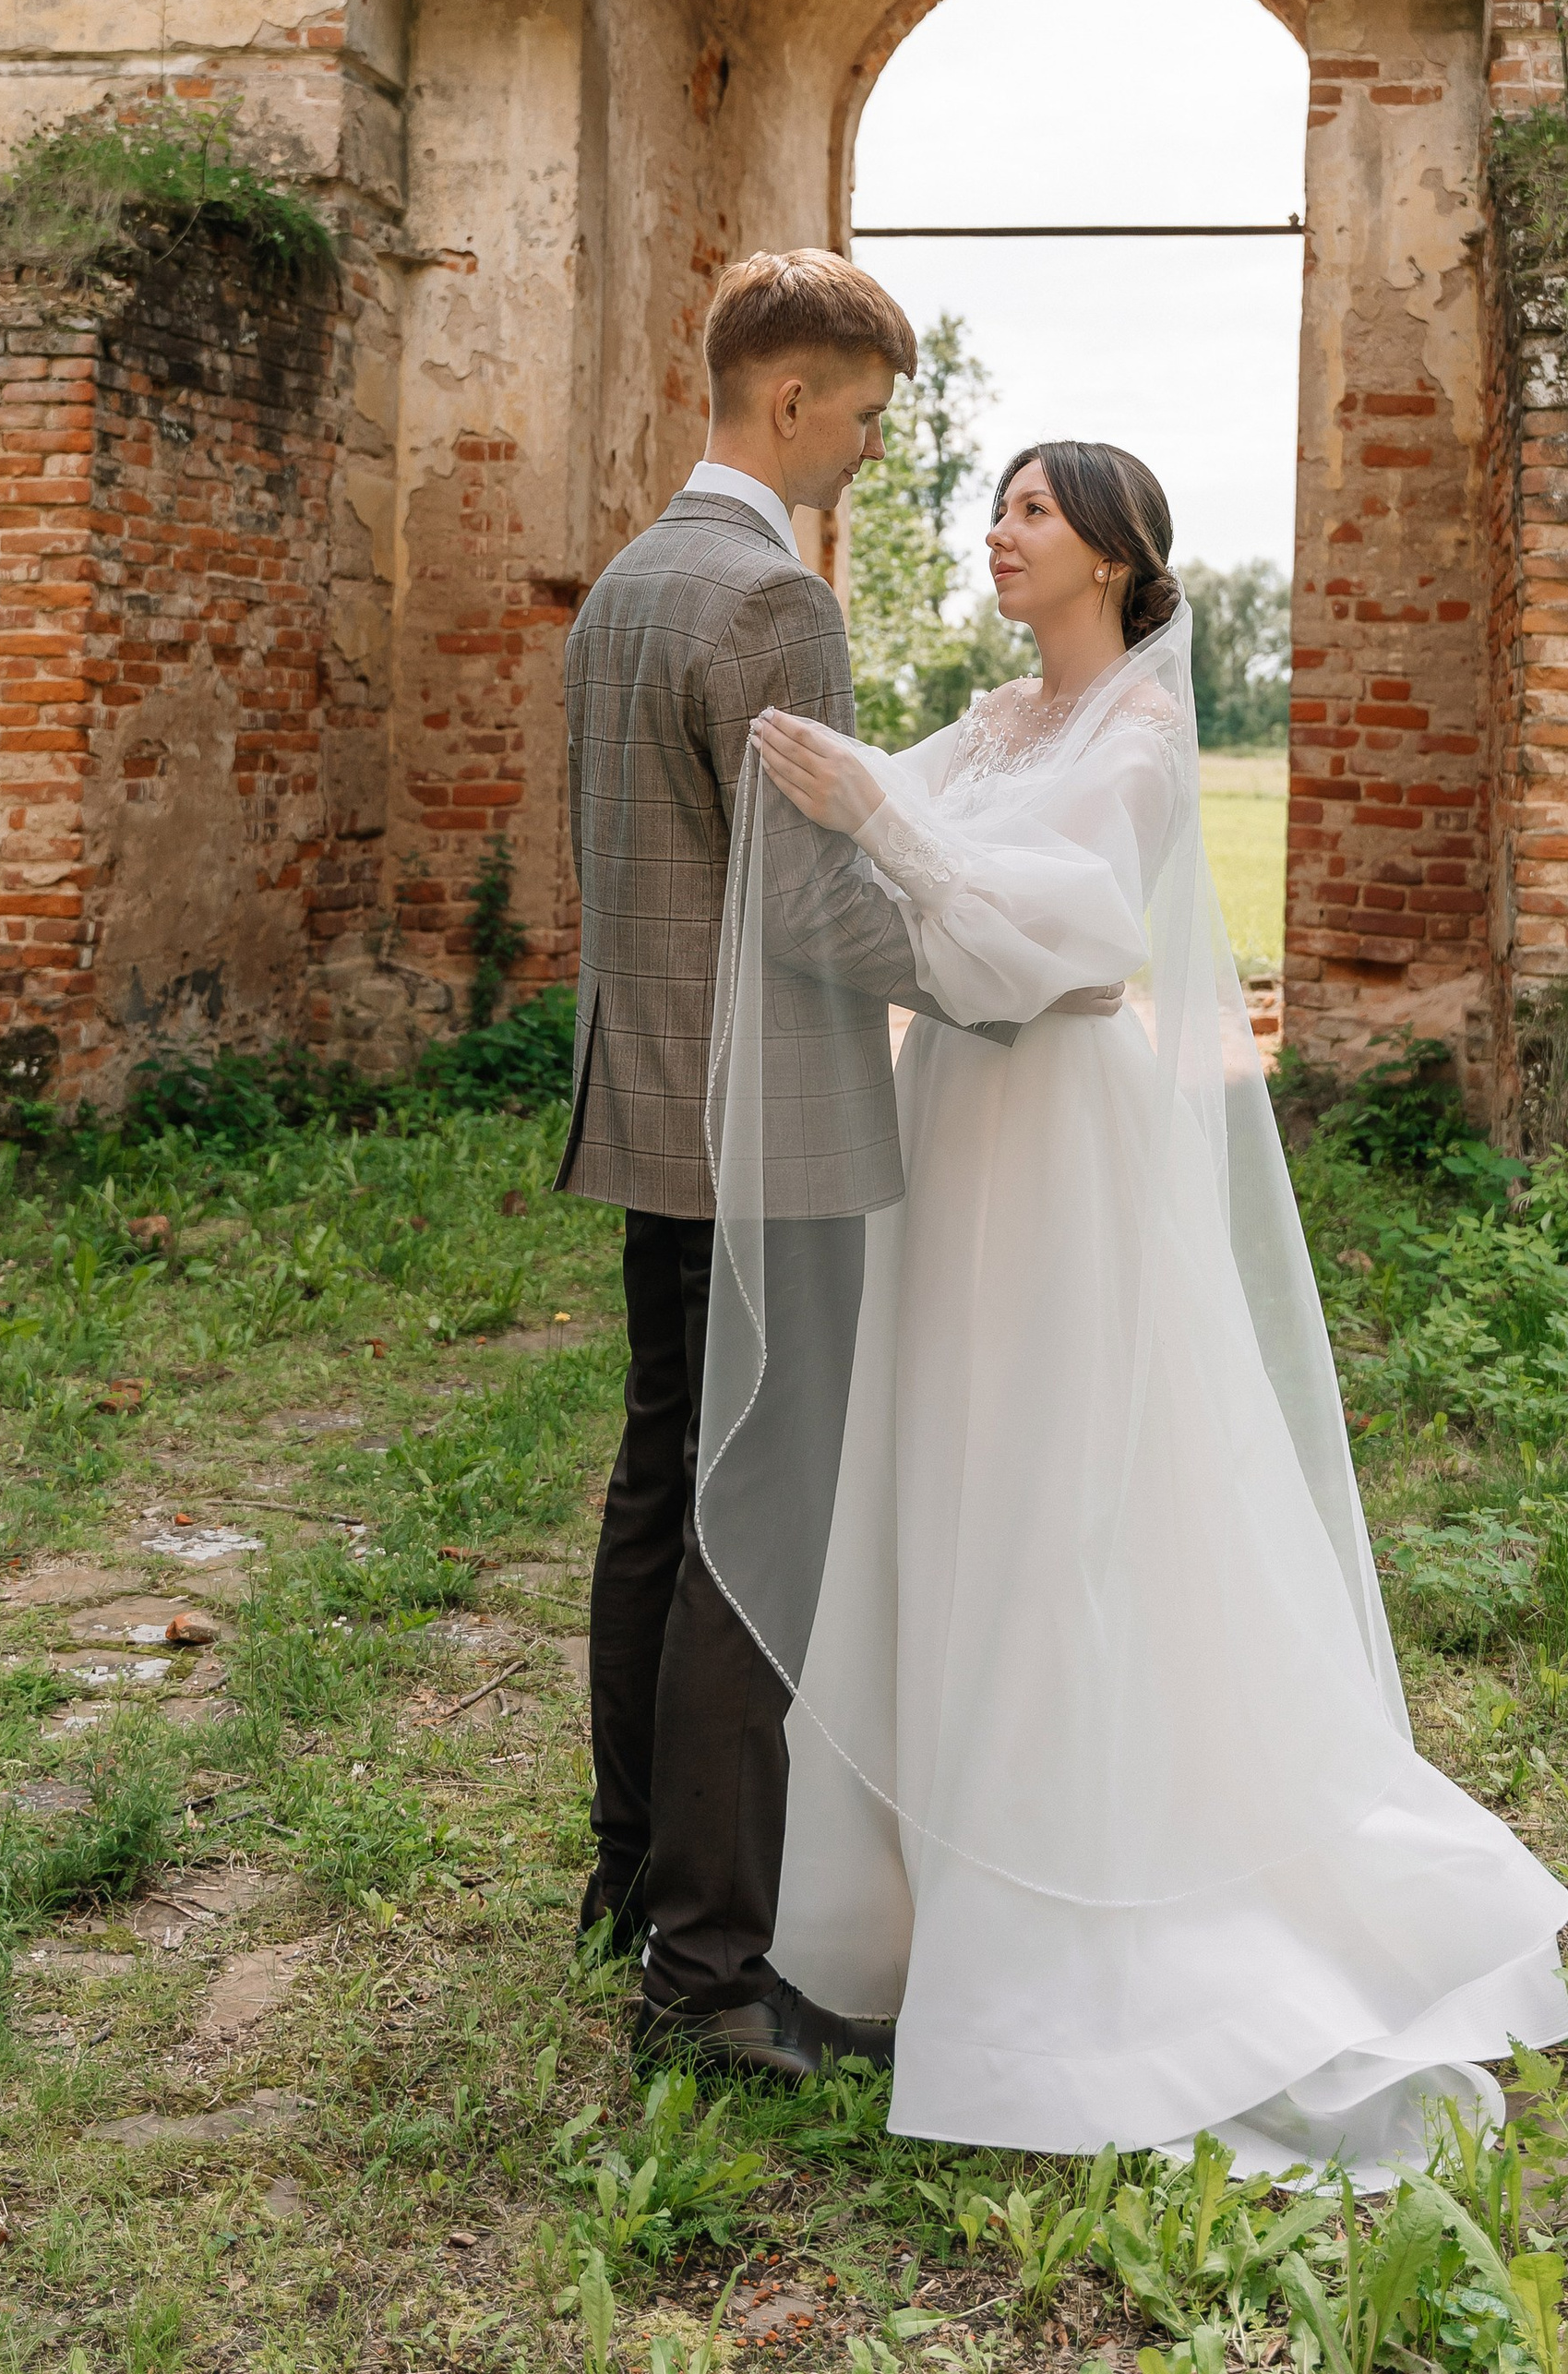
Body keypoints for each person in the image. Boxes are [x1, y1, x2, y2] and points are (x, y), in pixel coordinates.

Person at [709, 438, 1568, 2176]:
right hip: (956, 1121)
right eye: (1001, 506)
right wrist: (848, 787)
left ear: (1111, 552)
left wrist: (881, 816)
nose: (998, 532)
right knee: (942, 1465)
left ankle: (1078, 1920)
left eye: (1031, 510)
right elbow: (916, 847)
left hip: (1067, 1143)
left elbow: (1070, 929)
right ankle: (910, 1905)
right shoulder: (997, 720)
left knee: (1054, 1491)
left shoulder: (1144, 739)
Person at [557, 251, 1110, 2085]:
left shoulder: (625, 588)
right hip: (768, 1139)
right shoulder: (774, 604)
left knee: (659, 1486)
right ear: (784, 401)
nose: (872, 449)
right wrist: (989, 965)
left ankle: (629, 1870)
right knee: (754, 1534)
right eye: (863, 416)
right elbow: (804, 907)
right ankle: (707, 1972)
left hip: (639, 1119)